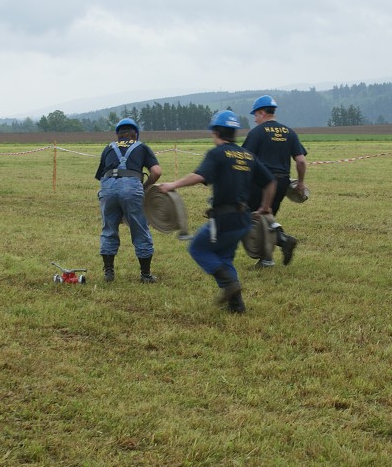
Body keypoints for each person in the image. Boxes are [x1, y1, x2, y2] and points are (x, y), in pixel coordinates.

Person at [158, 110, 275, 313]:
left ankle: (229, 284)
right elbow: (270, 182)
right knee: (225, 257)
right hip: (244, 220)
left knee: (197, 248)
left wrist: (173, 185)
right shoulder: (248, 155)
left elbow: (199, 176)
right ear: (234, 132)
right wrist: (265, 207)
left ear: (216, 132)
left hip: (224, 219)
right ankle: (236, 305)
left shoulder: (217, 153)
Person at [242, 94, 307, 268]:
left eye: (255, 115)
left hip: (261, 183)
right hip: (282, 183)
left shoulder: (256, 133)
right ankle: (270, 255)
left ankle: (281, 243)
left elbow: (245, 160)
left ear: (262, 113)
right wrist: (300, 183)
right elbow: (301, 161)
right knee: (267, 219)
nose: (255, 120)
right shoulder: (289, 132)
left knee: (250, 218)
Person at [95, 118, 162, 283]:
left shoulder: (108, 147)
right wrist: (145, 187)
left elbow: (101, 175)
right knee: (140, 229)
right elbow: (156, 172)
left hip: (108, 188)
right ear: (135, 135)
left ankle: (109, 273)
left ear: (118, 135)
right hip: (132, 188)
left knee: (109, 229)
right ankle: (145, 275)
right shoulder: (142, 147)